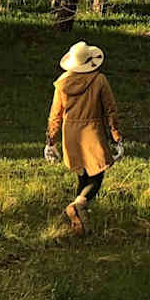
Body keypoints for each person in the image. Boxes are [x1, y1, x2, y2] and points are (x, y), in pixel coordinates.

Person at [45, 41, 122, 235]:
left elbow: (55, 115)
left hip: (70, 133)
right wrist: (116, 137)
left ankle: (80, 223)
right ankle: (79, 204)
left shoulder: (61, 83)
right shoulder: (99, 80)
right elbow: (110, 110)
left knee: (82, 173)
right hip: (92, 129)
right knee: (96, 175)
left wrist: (51, 141)